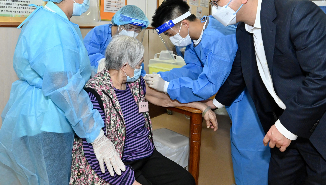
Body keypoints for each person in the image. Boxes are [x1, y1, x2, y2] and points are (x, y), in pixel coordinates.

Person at [203, 0, 326, 184]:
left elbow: (323, 77)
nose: (214, 10)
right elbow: (240, 72)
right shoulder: (243, 29)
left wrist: (286, 127)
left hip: (321, 125)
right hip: (283, 124)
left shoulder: (297, 13)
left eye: (216, 2)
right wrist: (215, 103)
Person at [0, 0, 125, 185]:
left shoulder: (49, 19)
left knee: (37, 174)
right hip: (48, 117)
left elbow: (64, 69)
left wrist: (93, 72)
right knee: (53, 177)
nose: (87, 0)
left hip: (34, 109)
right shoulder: (55, 27)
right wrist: (96, 135)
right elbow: (64, 87)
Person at [144, 0, 270, 185]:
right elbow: (194, 70)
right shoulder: (195, 38)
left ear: (184, 24)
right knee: (241, 151)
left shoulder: (217, 38)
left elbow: (208, 85)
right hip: (233, 97)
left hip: (248, 99)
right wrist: (163, 77)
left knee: (251, 152)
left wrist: (167, 87)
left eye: (170, 34)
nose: (172, 39)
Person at [70, 35, 216, 185]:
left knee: (185, 181)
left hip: (145, 155)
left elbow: (165, 99)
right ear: (125, 66)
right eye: (139, 65)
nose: (141, 69)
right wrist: (130, 182)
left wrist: (202, 107)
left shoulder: (134, 82)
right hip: (118, 163)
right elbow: (93, 153)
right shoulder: (95, 94)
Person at [83, 5, 149, 75]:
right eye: (129, 27)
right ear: (119, 23)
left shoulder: (133, 44)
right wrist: (101, 62)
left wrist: (143, 77)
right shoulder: (99, 33)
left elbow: (138, 66)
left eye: (137, 29)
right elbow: (87, 55)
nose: (132, 33)